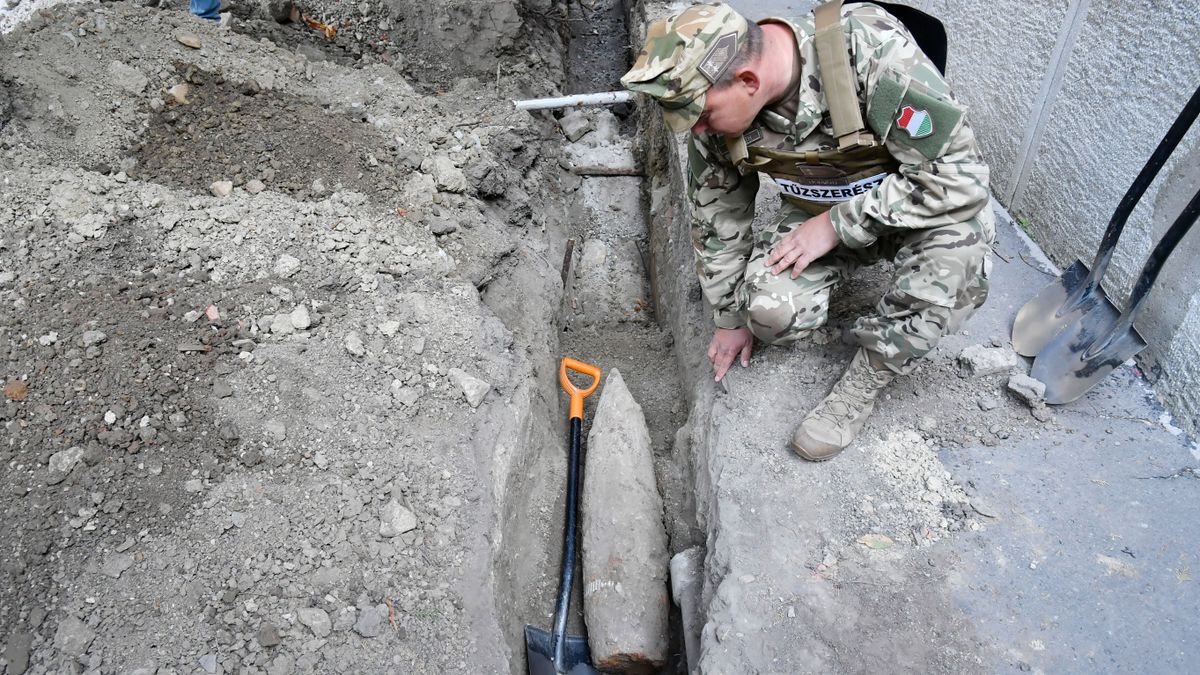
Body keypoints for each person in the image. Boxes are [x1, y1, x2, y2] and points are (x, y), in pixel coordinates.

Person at [621, 1, 994, 461]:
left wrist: (839, 225)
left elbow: (961, 178)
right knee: (768, 312)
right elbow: (717, 212)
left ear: (749, 82)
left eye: (702, 115)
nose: (696, 128)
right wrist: (730, 318)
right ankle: (831, 271)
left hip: (915, 207)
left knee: (954, 261)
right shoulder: (716, 108)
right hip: (817, 213)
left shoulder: (871, 51)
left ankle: (867, 378)